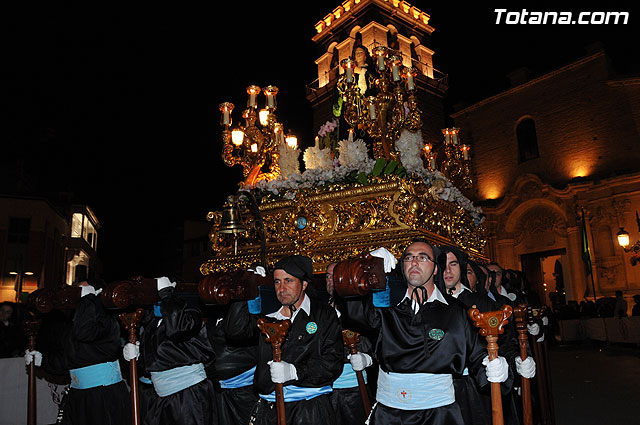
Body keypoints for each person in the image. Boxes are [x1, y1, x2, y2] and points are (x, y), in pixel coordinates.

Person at [346, 239, 510, 425]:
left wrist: (497, 370)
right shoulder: (385, 308)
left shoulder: (457, 312)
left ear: (435, 269)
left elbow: (479, 357)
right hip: (389, 415)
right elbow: (353, 310)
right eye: (409, 258)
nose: (414, 262)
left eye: (423, 258)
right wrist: (363, 266)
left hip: (439, 415)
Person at [225, 255, 344, 425]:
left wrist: (295, 372)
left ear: (303, 284)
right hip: (269, 409)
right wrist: (245, 289)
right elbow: (235, 331)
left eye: (288, 281)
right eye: (277, 282)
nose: (282, 288)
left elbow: (332, 361)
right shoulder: (268, 314)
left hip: (308, 410)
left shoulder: (323, 314)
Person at [124, 276, 217, 425]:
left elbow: (177, 328)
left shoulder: (191, 312)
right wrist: (138, 353)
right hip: (162, 396)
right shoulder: (154, 321)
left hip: (188, 395)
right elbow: (158, 359)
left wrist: (167, 294)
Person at [59, 277, 131, 424]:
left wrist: (88, 300)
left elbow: (85, 332)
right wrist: (43, 361)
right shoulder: (76, 321)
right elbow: (71, 357)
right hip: (78, 395)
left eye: (84, 291)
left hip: (102, 395)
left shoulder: (106, 320)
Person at [325, 262, 374, 425]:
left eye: (335, 276)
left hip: (353, 389)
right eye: (327, 276)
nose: (331, 280)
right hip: (325, 390)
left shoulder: (357, 309)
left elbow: (368, 343)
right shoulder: (318, 310)